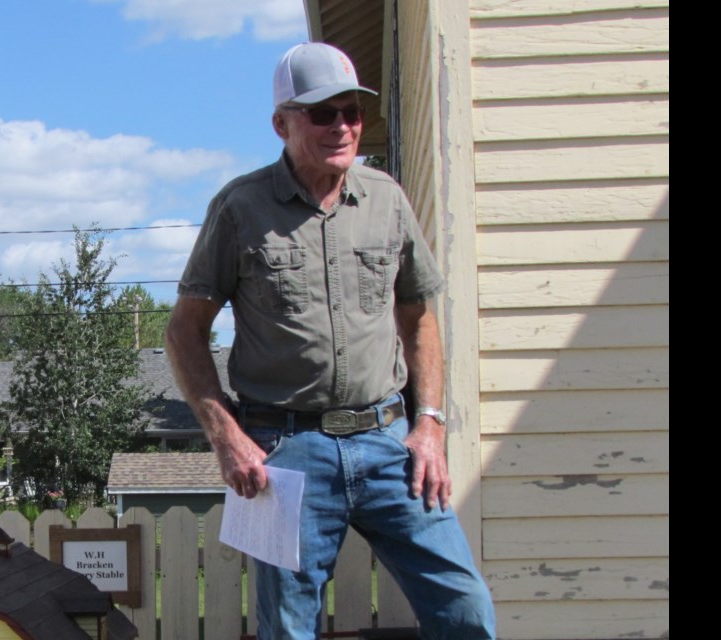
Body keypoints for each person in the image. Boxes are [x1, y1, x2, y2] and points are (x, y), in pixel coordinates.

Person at [165, 41, 496, 640]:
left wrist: (430, 424)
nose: (342, 126)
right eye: (323, 113)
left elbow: (418, 316)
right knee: (288, 628)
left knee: (465, 609)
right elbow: (184, 332)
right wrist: (227, 437)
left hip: (390, 445)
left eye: (352, 111)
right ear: (282, 123)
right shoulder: (240, 208)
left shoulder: (387, 200)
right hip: (283, 453)